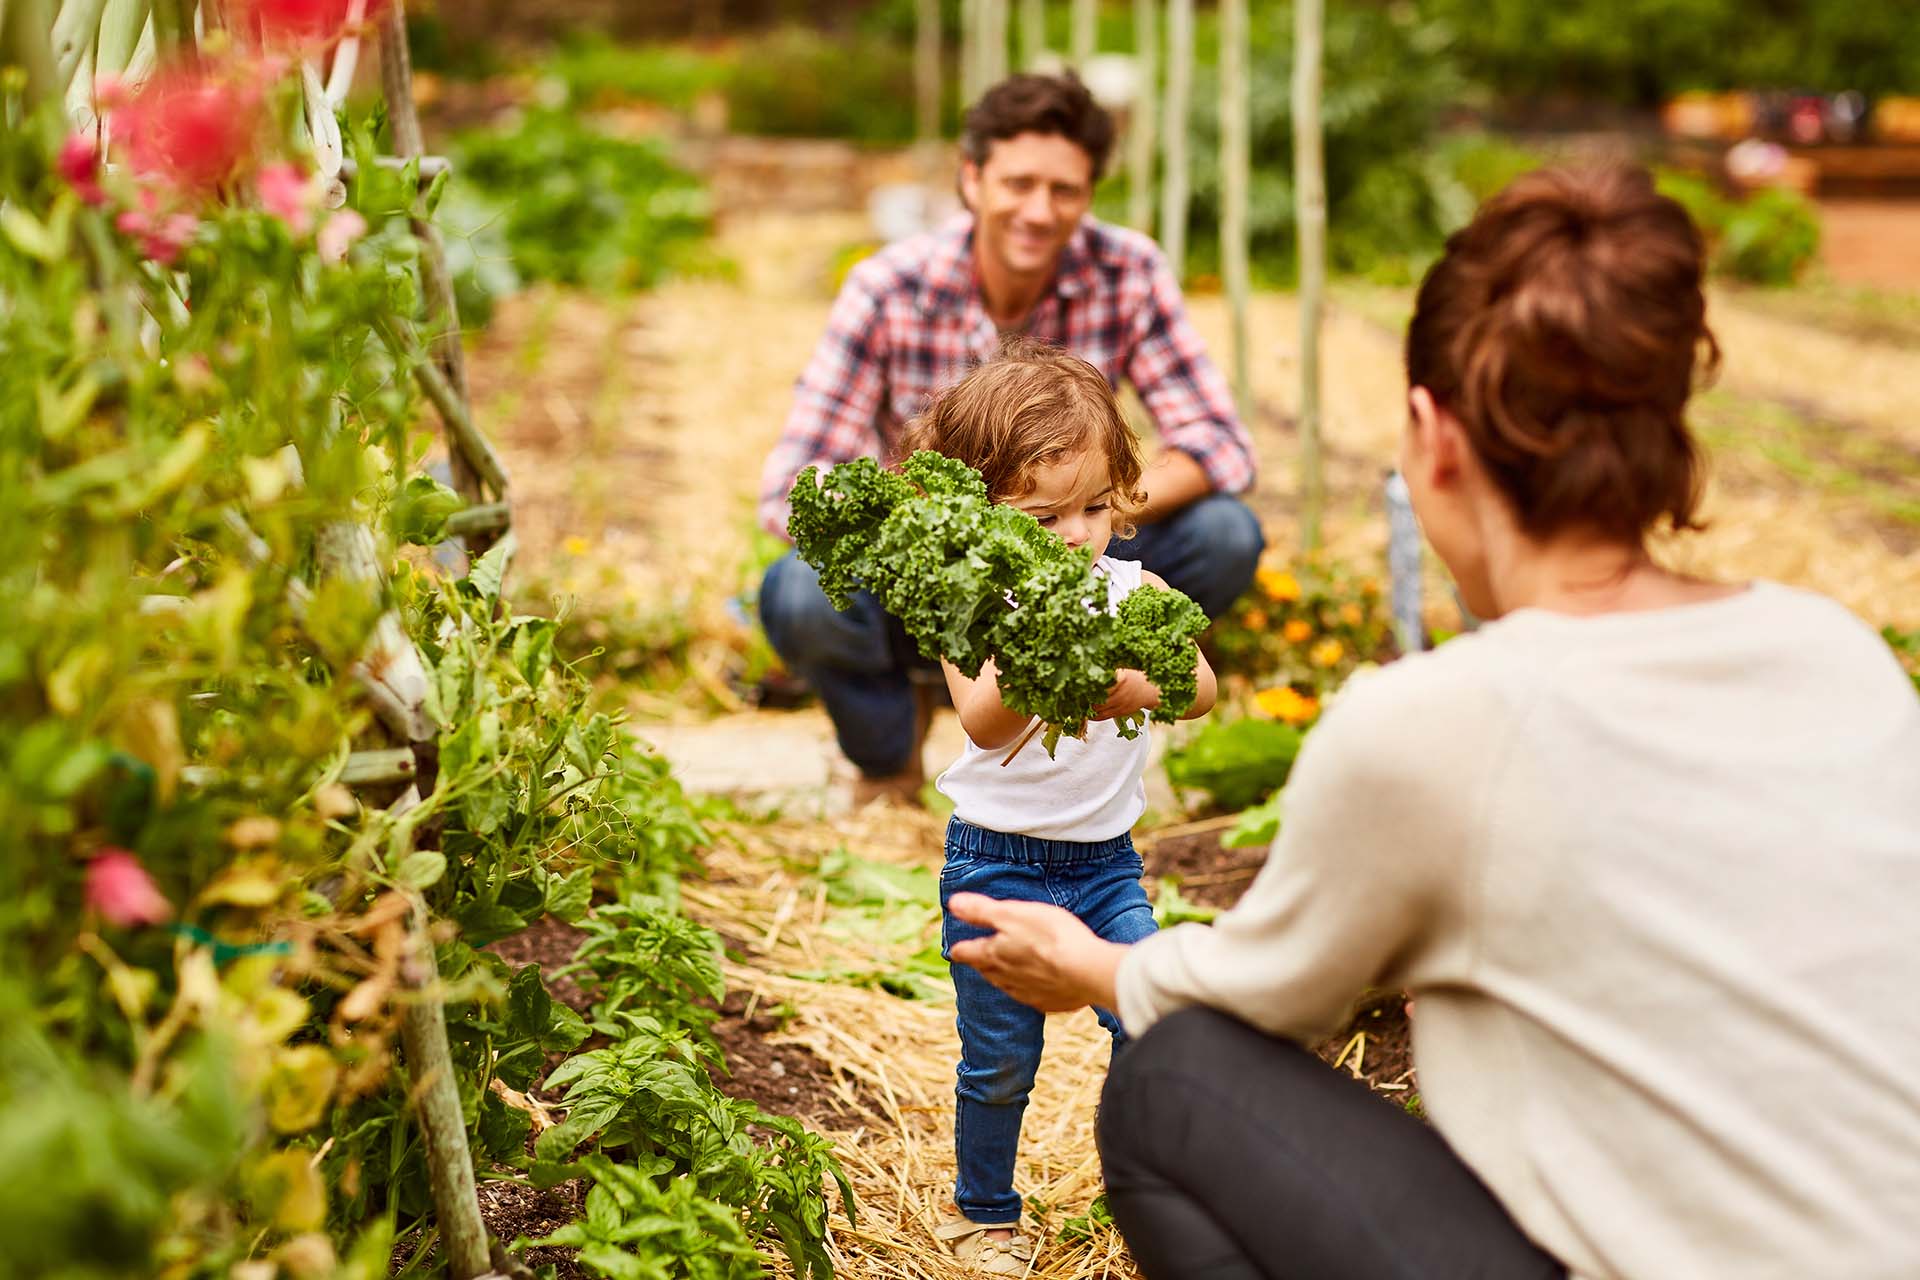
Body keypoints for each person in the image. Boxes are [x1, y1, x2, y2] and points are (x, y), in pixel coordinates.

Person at [943, 166, 1920, 1280]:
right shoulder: (1842, 655)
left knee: (1173, 1076)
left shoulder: (1428, 721)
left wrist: (1096, 967)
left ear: (1430, 434)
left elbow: (1270, 995)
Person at [757, 71, 1259, 806]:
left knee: (1225, 533)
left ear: (1089, 194)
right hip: (933, 579)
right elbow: (794, 484)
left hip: (1076, 554)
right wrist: (946, 530)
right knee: (800, 591)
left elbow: (1220, 442)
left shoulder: (1128, 270)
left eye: (1065, 191)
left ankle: (1089, 689)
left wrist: (1087, 508)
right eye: (1018, 183)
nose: (1038, 210)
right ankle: (889, 756)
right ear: (971, 179)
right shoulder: (889, 286)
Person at [907, 341, 1218, 1275]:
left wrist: (1141, 683)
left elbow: (1201, 686)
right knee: (1000, 1057)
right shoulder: (969, 605)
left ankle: (1140, 1192)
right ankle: (986, 1213)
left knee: (1146, 1016)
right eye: (1044, 517)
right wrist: (1051, 654)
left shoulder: (1136, 589)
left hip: (1106, 863)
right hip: (995, 863)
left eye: (1094, 507)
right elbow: (983, 719)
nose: (1077, 533)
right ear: (981, 514)